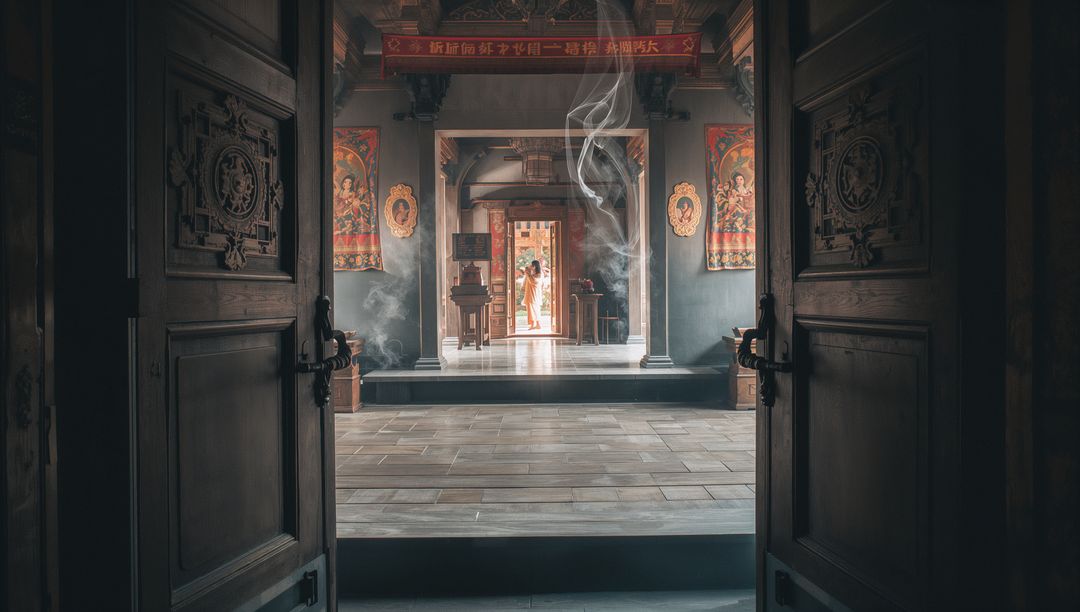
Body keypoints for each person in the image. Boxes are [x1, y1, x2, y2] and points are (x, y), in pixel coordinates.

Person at [518, 259, 544, 330]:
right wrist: (527, 272)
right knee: (531, 309)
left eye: (532, 265)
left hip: (534, 294)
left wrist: (528, 274)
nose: (531, 266)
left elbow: (533, 281)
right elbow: (527, 278)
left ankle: (536, 324)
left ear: (535, 266)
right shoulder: (532, 273)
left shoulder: (539, 274)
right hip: (530, 293)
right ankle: (534, 324)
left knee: (535, 309)